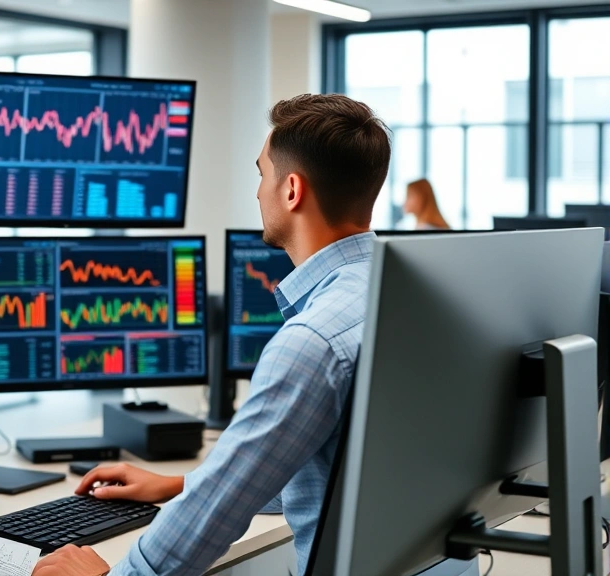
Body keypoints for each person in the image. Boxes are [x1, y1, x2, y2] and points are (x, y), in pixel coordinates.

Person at [32, 93, 391, 576]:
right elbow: (333, 476)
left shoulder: (313, 341)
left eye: (261, 173)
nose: (257, 191)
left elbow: (208, 524)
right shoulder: (399, 297)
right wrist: (182, 483)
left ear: (291, 190)